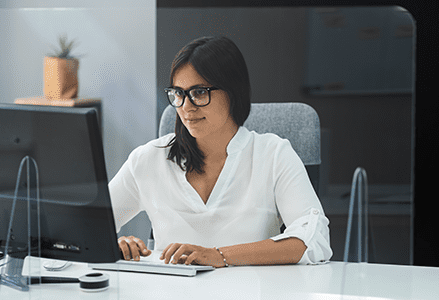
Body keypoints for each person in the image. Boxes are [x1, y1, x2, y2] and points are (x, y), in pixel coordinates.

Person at [109, 36, 332, 267]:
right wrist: (115, 244)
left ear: (233, 92)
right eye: (178, 93)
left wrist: (220, 255)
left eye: (199, 92)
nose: (186, 107)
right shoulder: (149, 159)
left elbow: (314, 241)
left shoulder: (273, 155)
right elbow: (86, 231)